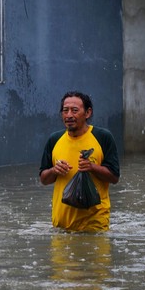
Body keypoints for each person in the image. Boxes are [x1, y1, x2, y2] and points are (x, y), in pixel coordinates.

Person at [39, 91, 120, 231]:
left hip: (94, 227)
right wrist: (54, 170)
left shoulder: (103, 137)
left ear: (88, 113)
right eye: (65, 111)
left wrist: (92, 167)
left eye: (75, 110)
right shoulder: (54, 139)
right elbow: (44, 179)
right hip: (61, 226)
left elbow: (114, 177)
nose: (69, 115)